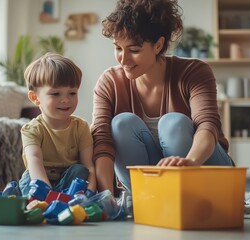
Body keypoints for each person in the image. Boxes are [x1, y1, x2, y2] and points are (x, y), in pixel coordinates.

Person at [91, 0, 234, 196]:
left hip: (205, 171)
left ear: (158, 45)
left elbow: (207, 126)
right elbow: (102, 143)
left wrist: (190, 162)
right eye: (118, 48)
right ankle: (149, 196)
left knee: (173, 123)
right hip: (155, 185)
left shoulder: (194, 72)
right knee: (120, 124)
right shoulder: (110, 82)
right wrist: (106, 196)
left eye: (134, 50)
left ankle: (194, 194)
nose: (123, 59)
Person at [19, 52, 96, 196]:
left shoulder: (81, 127)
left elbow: (89, 166)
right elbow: (34, 160)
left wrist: (91, 191)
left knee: (80, 170)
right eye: (56, 94)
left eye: (72, 93)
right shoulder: (31, 129)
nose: (66, 100)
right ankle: (41, 200)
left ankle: (64, 199)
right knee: (30, 179)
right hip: (39, 178)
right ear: (35, 97)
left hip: (68, 180)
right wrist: (46, 192)